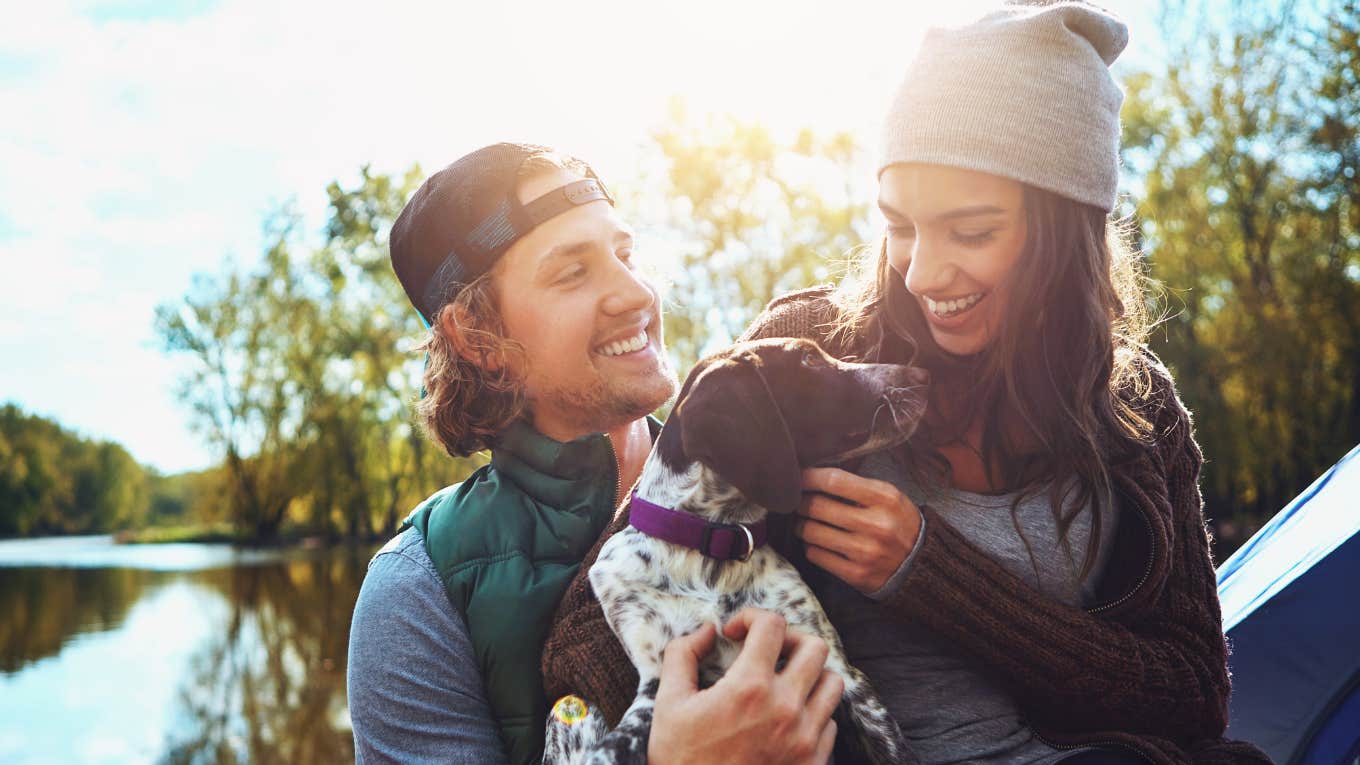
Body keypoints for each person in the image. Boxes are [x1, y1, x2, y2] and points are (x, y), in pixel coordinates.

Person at [543, 4, 1274, 763]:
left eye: (972, 230)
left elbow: (1193, 690)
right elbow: (584, 630)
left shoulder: (1136, 407)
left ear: (1065, 230)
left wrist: (934, 575)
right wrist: (675, 742)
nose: (922, 272)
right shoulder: (807, 354)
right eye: (899, 225)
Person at [347, 143, 842, 765]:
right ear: (476, 338)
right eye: (572, 272)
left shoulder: (786, 478)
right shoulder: (418, 591)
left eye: (625, 254)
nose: (636, 293)